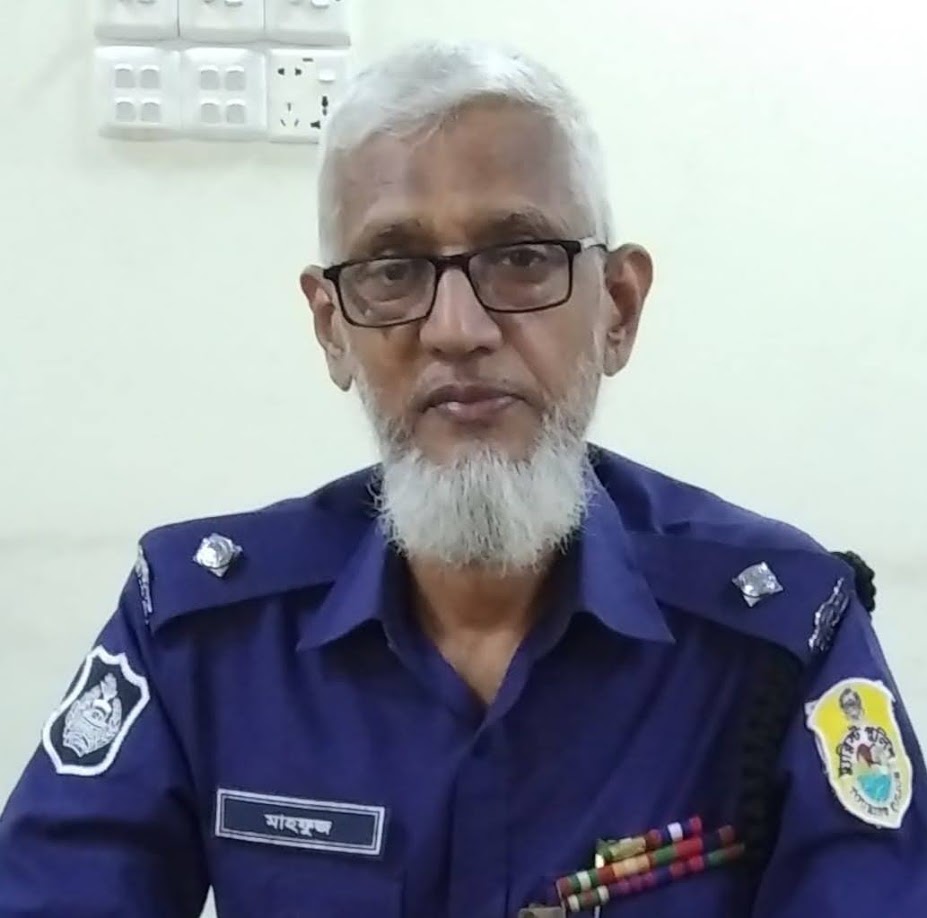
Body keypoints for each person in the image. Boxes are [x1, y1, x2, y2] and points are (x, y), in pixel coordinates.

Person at [0, 39, 924, 918]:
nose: (455, 329)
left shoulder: (776, 633)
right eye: (392, 270)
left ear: (617, 309)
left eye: (520, 259)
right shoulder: (201, 633)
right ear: (332, 328)